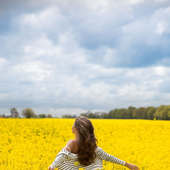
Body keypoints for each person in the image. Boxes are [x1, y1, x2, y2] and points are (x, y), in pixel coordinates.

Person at [48, 116, 140, 170]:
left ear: (75, 129)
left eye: (73, 125)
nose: (71, 126)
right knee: (97, 156)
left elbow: (62, 155)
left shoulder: (71, 143)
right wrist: (128, 164)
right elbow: (108, 157)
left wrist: (53, 165)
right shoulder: (91, 147)